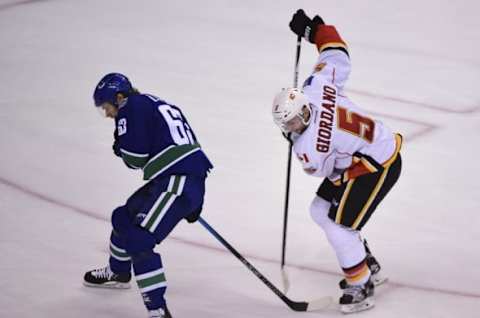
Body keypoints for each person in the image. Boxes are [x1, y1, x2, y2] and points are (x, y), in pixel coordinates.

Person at [272, 10, 402, 314]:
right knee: (320, 210)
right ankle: (364, 260)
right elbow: (337, 52)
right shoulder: (315, 87)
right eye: (287, 126)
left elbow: (325, 171)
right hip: (373, 148)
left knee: (341, 224)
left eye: (293, 123)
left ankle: (361, 284)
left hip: (377, 164)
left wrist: (293, 141)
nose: (291, 129)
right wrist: (315, 30)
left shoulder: (309, 149)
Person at [84, 73, 213, 318]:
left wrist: (120, 146)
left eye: (107, 107)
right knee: (123, 217)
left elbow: (135, 159)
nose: (109, 114)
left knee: (139, 240)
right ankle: (119, 272)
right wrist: (196, 196)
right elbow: (187, 144)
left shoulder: (129, 108)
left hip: (177, 182)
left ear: (119, 98)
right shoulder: (153, 102)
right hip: (180, 179)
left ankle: (157, 309)